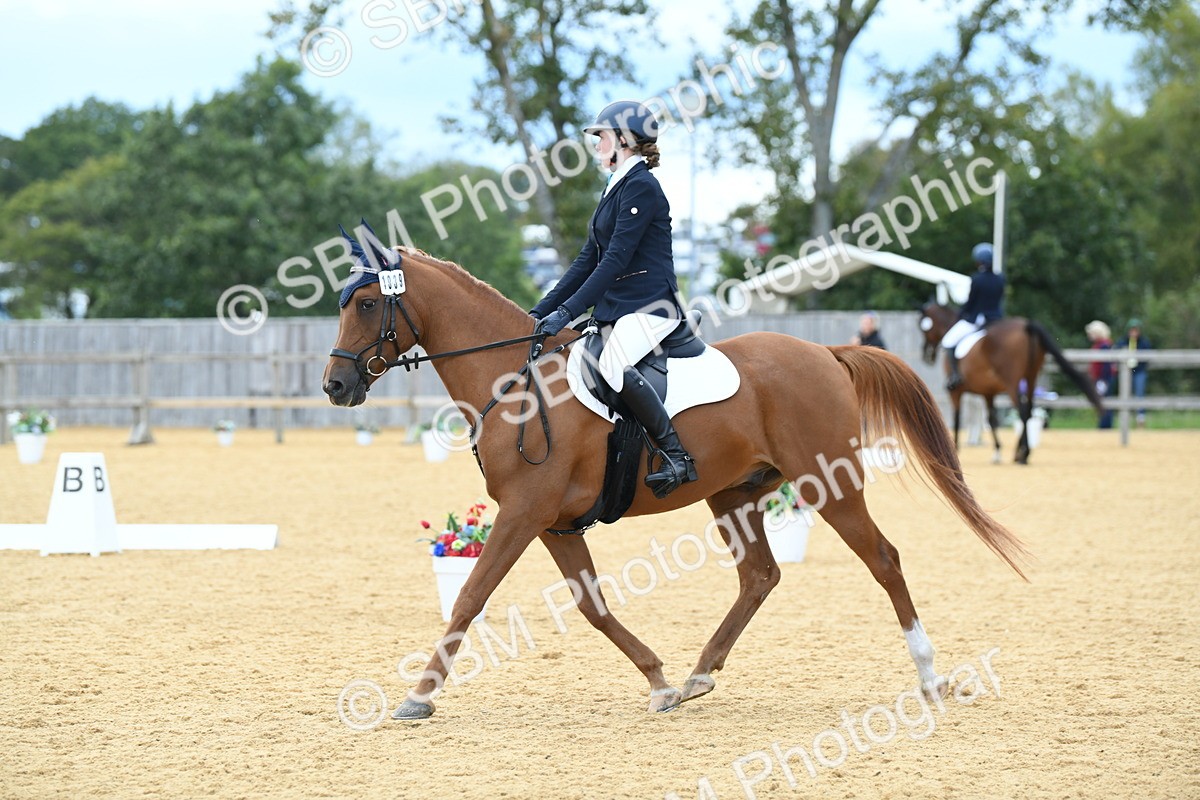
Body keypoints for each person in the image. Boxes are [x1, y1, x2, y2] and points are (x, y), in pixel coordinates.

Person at [528, 100, 696, 498]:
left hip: (651, 305)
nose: (597, 144)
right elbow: (588, 259)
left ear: (625, 139)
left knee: (613, 363)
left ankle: (676, 455)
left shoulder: (641, 186)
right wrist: (541, 311)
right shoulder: (615, 186)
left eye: (602, 136)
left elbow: (617, 260)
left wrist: (570, 311)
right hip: (621, 308)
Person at [940, 242, 1005, 391]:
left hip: (979, 319)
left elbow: (971, 303)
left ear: (979, 261)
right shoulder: (1000, 279)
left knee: (948, 341)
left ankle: (955, 376)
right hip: (996, 320)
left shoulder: (977, 279)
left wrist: (961, 315)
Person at [1116, 317, 1153, 427]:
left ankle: (1140, 417)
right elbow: (1116, 353)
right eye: (1132, 330)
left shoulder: (1144, 342)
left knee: (1139, 392)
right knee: (1124, 393)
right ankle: (1125, 418)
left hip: (1139, 370)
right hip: (1126, 372)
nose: (1133, 332)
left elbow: (1148, 355)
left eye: (1136, 330)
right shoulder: (1122, 341)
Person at [1085, 320, 1115, 429]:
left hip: (1104, 378)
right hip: (1100, 378)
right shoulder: (1100, 345)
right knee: (1103, 401)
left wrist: (1103, 380)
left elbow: (1106, 365)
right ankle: (1104, 424)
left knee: (1105, 401)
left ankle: (1105, 425)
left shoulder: (1104, 345)